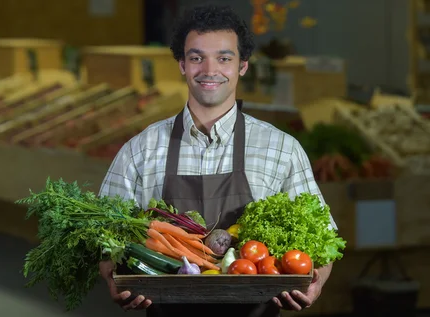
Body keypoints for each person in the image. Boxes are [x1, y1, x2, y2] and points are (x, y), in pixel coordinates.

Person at [98, 4, 337, 317]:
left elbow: (323, 239)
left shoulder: (281, 148)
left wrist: (317, 282)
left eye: (224, 58)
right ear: (182, 64)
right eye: (197, 58)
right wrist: (112, 277)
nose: (210, 70)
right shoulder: (140, 149)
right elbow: (104, 235)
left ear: (242, 66)